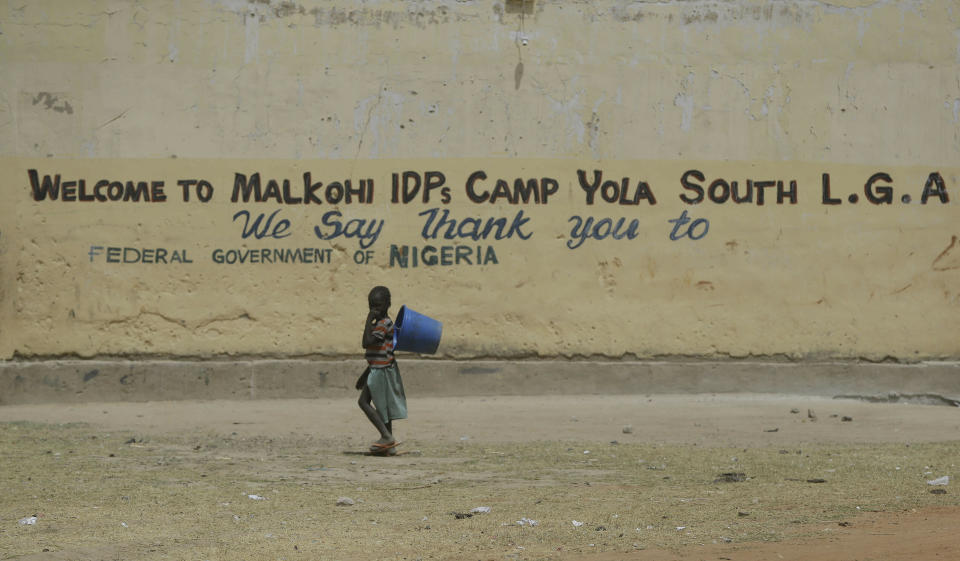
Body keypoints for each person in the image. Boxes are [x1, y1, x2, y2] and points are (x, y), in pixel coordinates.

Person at [356, 286, 407, 456]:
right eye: (371, 306)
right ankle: (389, 446)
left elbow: (366, 342)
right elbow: (376, 353)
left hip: (381, 370)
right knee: (383, 408)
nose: (374, 310)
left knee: (363, 402)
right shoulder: (380, 324)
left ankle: (386, 436)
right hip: (378, 368)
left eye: (377, 306)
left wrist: (368, 320)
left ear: (387, 305)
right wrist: (365, 375)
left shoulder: (383, 324)